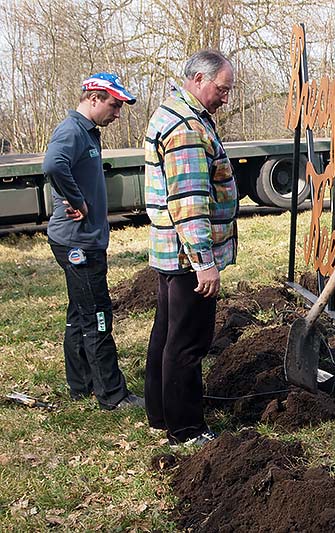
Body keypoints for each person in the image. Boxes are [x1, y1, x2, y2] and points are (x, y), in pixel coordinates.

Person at [143, 49, 238, 448]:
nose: (225, 97)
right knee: (188, 343)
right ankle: (187, 431)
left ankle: (161, 412)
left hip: (172, 252)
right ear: (199, 79)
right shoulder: (185, 127)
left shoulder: (180, 113)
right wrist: (205, 263)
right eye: (222, 88)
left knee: (167, 331)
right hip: (187, 257)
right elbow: (189, 201)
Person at [44, 73, 144, 411]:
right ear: (95, 98)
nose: (117, 113)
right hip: (77, 244)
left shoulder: (86, 133)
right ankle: (112, 395)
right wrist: (77, 200)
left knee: (79, 313)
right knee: (98, 316)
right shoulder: (71, 131)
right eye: (114, 105)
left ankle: (81, 384)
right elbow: (53, 165)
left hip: (81, 240)